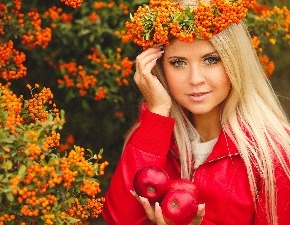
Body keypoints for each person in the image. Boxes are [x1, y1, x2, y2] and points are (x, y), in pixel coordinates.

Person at [102, 0, 290, 224]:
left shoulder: (273, 154)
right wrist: (158, 112)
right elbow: (120, 219)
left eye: (211, 60)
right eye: (178, 63)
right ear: (160, 68)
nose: (195, 79)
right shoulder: (156, 132)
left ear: (234, 61)